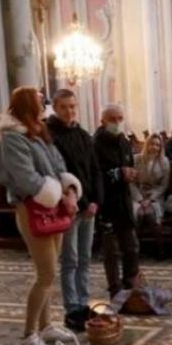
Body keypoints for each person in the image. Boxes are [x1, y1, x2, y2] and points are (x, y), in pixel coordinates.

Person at [0, 87, 80, 345]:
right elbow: (25, 178)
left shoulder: (38, 131)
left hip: (53, 205)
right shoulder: (12, 138)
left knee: (49, 271)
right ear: (26, 106)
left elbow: (57, 163)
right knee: (47, 274)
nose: (44, 105)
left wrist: (69, 190)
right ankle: (29, 334)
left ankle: (46, 325)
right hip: (33, 207)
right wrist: (57, 195)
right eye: (39, 101)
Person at [47, 89, 103, 332]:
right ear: (56, 108)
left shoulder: (82, 134)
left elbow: (94, 170)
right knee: (69, 259)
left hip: (88, 206)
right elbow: (56, 173)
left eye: (73, 106)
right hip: (67, 208)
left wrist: (95, 201)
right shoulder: (50, 135)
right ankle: (72, 308)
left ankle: (83, 301)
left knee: (85, 258)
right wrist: (76, 200)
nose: (70, 111)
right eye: (64, 107)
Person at [94, 104, 140, 296]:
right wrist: (118, 173)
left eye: (120, 118)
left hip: (124, 200)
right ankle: (115, 288)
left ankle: (131, 282)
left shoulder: (123, 141)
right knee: (111, 251)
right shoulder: (95, 144)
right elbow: (95, 175)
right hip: (107, 202)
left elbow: (129, 164)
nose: (117, 123)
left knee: (131, 246)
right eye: (113, 119)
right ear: (103, 121)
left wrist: (130, 173)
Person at [132, 133, 171, 227]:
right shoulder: (137, 159)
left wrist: (150, 199)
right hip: (138, 194)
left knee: (150, 214)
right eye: (152, 144)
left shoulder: (164, 161)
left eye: (157, 145)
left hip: (155, 195)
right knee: (139, 213)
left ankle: (159, 241)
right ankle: (136, 240)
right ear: (147, 144)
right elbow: (131, 183)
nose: (154, 147)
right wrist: (140, 199)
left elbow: (164, 185)